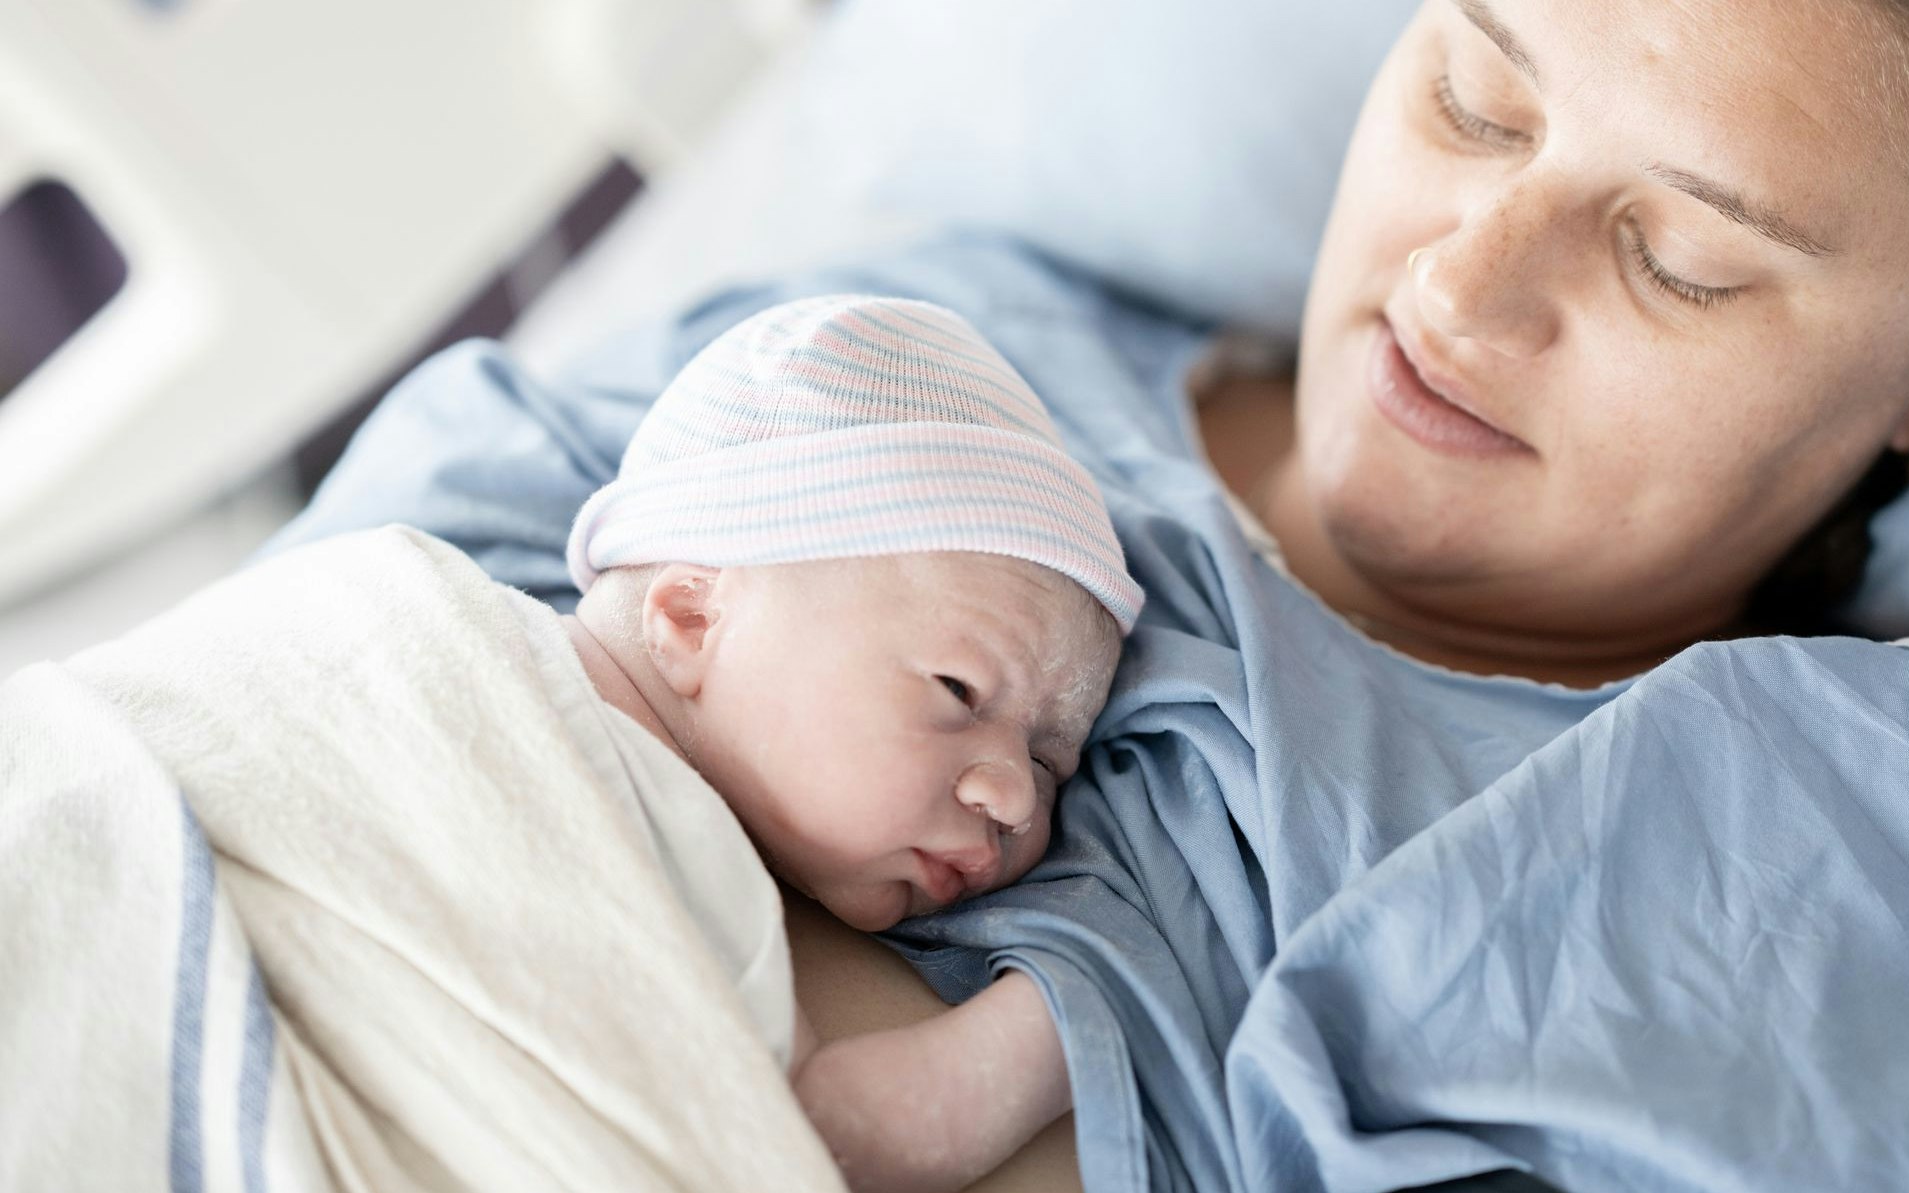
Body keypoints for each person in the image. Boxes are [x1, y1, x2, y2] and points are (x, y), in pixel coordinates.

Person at [270, 0, 1909, 1189]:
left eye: (1679, 258)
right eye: (1476, 104)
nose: (1455, 296)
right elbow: (326, 670)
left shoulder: (1838, 870)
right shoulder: (920, 361)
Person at [0, 295, 1136, 1193]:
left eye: (1050, 762)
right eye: (958, 688)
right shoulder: (427, 638)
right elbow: (828, 1137)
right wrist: (1071, 1015)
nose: (1011, 799)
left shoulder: (687, 861)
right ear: (692, 618)